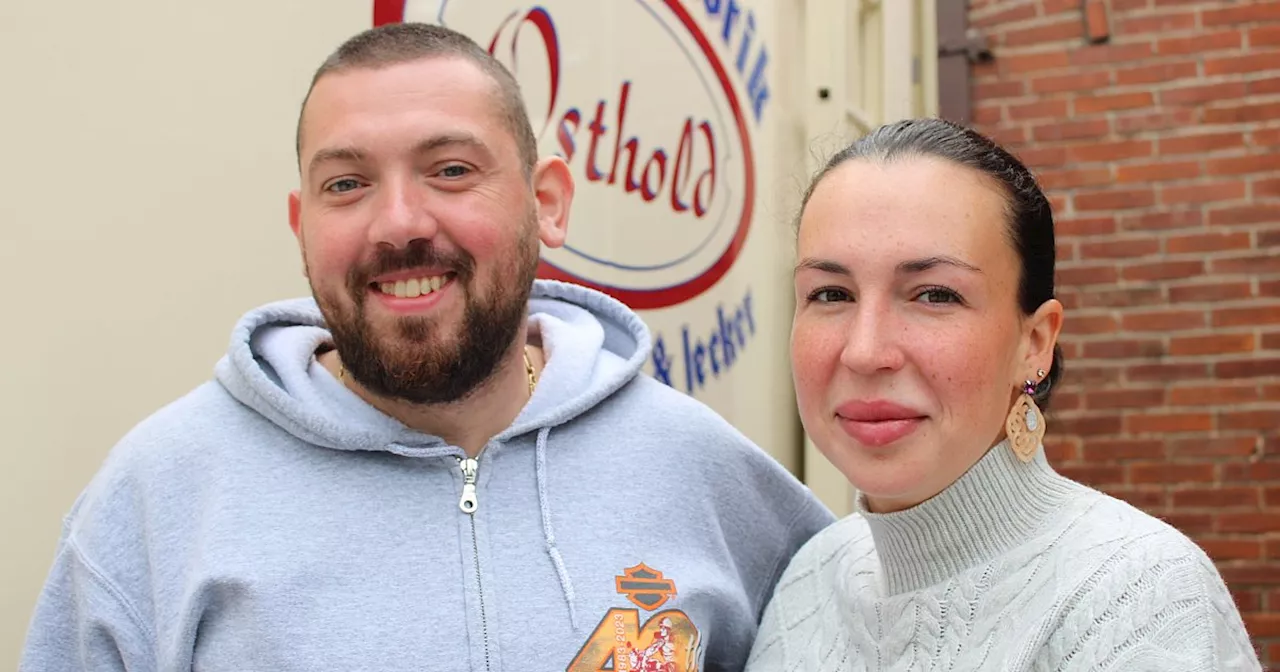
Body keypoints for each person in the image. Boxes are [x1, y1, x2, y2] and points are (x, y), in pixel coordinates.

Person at [20, 23, 833, 672]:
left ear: (547, 204)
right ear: (302, 226)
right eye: (348, 183)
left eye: (449, 169)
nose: (400, 222)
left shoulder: (707, 475)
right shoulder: (158, 501)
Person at [745, 118, 1262, 671]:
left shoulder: (1136, 595)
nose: (865, 351)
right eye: (830, 293)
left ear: (1035, 343)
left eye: (935, 295)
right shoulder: (806, 582)